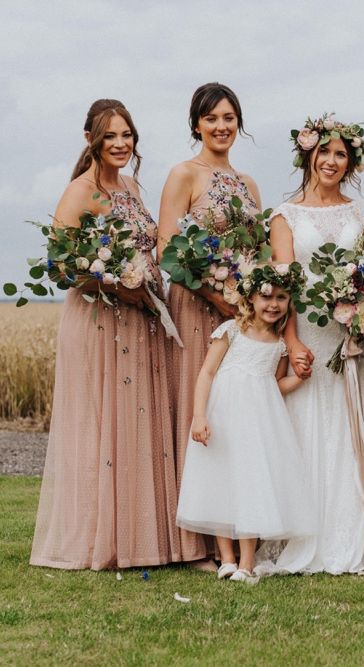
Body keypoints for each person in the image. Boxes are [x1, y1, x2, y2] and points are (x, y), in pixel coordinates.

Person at [30, 99, 180, 570]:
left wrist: (145, 285)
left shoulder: (133, 186)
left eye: (126, 135)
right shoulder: (80, 191)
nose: (120, 144)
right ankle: (101, 538)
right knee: (104, 422)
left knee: (136, 422)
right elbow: (60, 267)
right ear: (90, 139)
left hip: (140, 319)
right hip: (99, 320)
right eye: (110, 136)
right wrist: (116, 282)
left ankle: (139, 535)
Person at [265, 113, 364, 574]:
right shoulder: (284, 215)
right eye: (324, 152)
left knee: (348, 431)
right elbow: (284, 283)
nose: (332, 161)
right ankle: (302, 534)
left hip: (352, 336)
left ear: (350, 162)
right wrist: (292, 342)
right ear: (307, 155)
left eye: (341, 154)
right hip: (310, 334)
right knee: (306, 429)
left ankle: (352, 537)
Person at [158, 83, 262, 567]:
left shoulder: (248, 183)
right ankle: (195, 541)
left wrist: (245, 302)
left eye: (229, 118)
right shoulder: (184, 174)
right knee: (198, 409)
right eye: (212, 118)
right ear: (196, 123)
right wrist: (214, 297)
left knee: (234, 419)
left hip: (240, 315)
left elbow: (257, 255)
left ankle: (238, 529)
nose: (222, 127)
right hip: (198, 307)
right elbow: (165, 249)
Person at [176, 263, 316, 583]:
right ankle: (226, 558)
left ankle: (247, 562)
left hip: (258, 423)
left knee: (251, 482)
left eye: (282, 298)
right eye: (266, 296)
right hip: (223, 417)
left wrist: (300, 380)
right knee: (222, 481)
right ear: (251, 299)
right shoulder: (230, 331)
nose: (273, 304)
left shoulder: (280, 344)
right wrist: (200, 415)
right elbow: (207, 373)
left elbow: (275, 385)